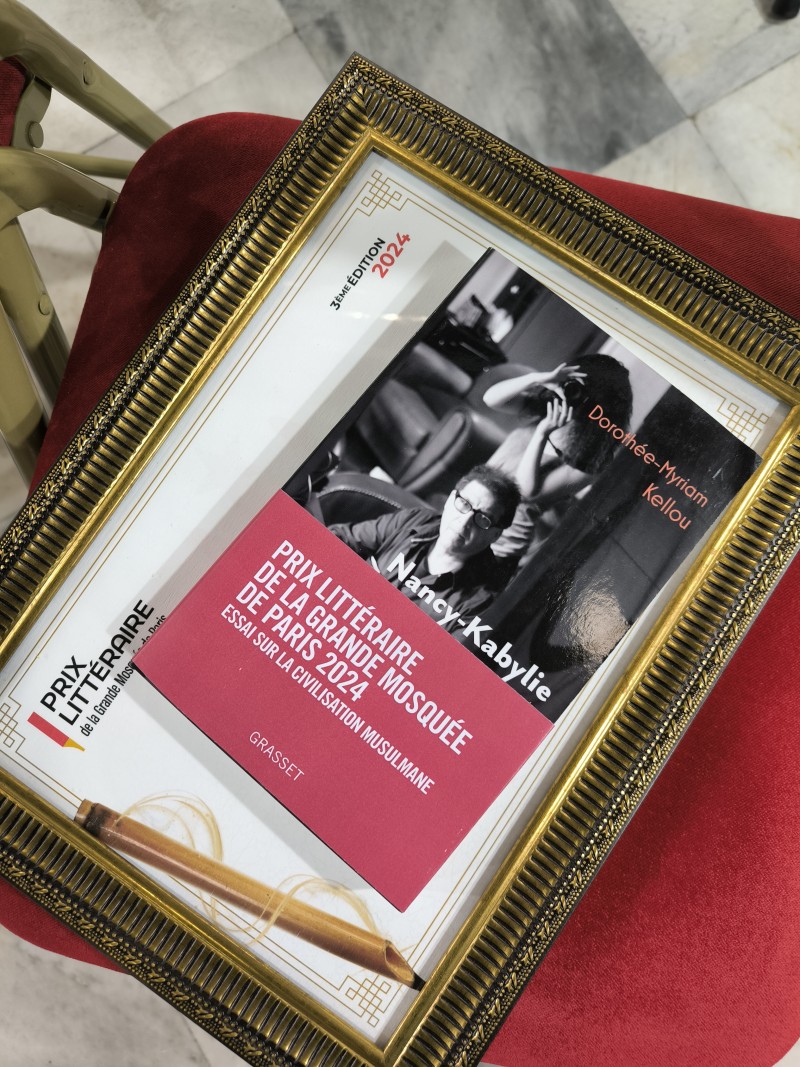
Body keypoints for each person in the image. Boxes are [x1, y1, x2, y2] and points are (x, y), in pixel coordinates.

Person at [328, 465, 520, 633]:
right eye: (464, 504)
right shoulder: (415, 520)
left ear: (495, 535)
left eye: (483, 519)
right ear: (450, 499)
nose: (464, 522)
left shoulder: (481, 602)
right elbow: (337, 539)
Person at [482, 353, 633, 562]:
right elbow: (490, 398)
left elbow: (525, 492)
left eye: (586, 394)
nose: (574, 394)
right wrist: (537, 379)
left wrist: (541, 434)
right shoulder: (549, 406)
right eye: (574, 385)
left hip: (501, 540)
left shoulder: (590, 461)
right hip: (475, 507)